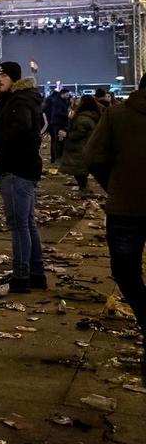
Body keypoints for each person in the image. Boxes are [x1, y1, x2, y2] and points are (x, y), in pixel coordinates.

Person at [86, 72, 146, 382]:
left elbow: (93, 156)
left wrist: (115, 185)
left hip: (126, 209)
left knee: (126, 272)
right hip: (125, 206)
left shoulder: (116, 115)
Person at [0, 61, 45, 294]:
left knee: (18, 225)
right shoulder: (20, 99)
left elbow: (18, 128)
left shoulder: (19, 101)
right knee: (27, 223)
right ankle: (36, 273)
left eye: (4, 77)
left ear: (14, 79)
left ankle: (21, 276)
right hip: (23, 169)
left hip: (16, 169)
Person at [59, 95, 103, 194]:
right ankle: (84, 186)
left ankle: (84, 187)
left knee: (78, 169)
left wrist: (66, 134)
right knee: (82, 169)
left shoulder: (82, 118)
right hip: (88, 145)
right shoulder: (94, 114)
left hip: (79, 146)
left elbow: (78, 133)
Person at [42, 87, 71, 163]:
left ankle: (56, 157)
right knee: (57, 141)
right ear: (62, 94)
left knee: (57, 140)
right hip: (58, 123)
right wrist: (67, 115)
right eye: (67, 94)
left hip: (56, 123)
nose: (68, 96)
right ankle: (56, 158)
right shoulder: (57, 101)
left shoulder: (60, 100)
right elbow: (57, 112)